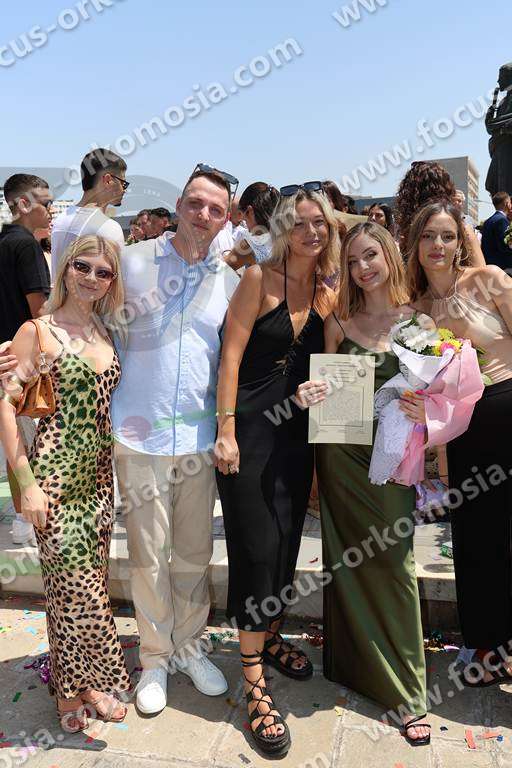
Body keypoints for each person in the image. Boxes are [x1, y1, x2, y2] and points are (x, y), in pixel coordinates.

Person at [215, 187, 338, 757]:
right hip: (249, 433)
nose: (313, 232)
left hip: (296, 437)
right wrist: (225, 430)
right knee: (256, 549)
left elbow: (334, 367)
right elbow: (231, 357)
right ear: (285, 228)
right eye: (303, 222)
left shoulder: (328, 293)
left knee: (286, 543)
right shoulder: (257, 279)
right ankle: (253, 681)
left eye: (322, 224)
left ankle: (267, 636)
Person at [112, 166, 239, 716]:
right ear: (179, 204)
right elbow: (89, 322)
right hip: (137, 435)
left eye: (215, 209)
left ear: (226, 219)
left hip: (198, 439)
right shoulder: (133, 263)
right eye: (195, 203)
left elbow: (234, 360)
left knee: (193, 554)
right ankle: (155, 658)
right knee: (147, 556)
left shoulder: (230, 282)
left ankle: (189, 646)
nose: (203, 215)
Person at [0, 235, 130, 732]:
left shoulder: (104, 330)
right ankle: (98, 677)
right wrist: (26, 483)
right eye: (83, 266)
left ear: (112, 282)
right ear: (65, 268)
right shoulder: (38, 331)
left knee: (73, 590)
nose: (92, 278)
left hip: (99, 481)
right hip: (53, 478)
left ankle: (78, 686)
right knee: (83, 592)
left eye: (104, 272)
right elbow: (7, 405)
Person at [314, 221, 430, 746]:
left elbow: (436, 395)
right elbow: (331, 403)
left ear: (389, 256)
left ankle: (407, 692)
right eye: (353, 261)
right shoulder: (338, 320)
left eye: (370, 256)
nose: (363, 268)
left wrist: (425, 409)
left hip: (391, 462)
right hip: (341, 455)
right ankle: (352, 665)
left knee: (395, 564)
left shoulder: (418, 323)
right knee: (348, 558)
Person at [408, 200, 512, 687]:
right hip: (464, 432)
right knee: (477, 539)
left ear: (461, 240)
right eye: (429, 235)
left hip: (509, 408)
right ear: (416, 243)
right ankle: (489, 646)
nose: (438, 245)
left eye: (447, 235)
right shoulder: (416, 311)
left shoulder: (488, 279)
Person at [0, 174, 53, 547]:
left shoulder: (5, 241)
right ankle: (27, 520)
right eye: (46, 203)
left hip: (5, 359)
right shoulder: (26, 247)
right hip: (28, 364)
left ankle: (23, 517)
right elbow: (41, 311)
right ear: (23, 204)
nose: (50, 210)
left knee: (14, 442)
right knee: (34, 445)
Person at [51, 148, 127, 274]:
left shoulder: (60, 219)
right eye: (123, 183)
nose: (124, 190)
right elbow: (119, 279)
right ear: (108, 180)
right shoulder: (109, 228)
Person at [395, 161, 485, 266]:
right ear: (447, 191)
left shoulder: (406, 230)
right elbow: (480, 269)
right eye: (427, 236)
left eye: (448, 237)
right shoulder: (460, 226)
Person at [224, 182, 279, 270]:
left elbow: (219, 271)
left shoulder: (251, 244)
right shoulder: (288, 239)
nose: (243, 221)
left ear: (250, 211)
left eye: (244, 218)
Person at [481, 191, 512, 271]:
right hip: (503, 267)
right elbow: (505, 245)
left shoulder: (488, 221)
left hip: (489, 264)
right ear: (507, 204)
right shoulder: (502, 220)